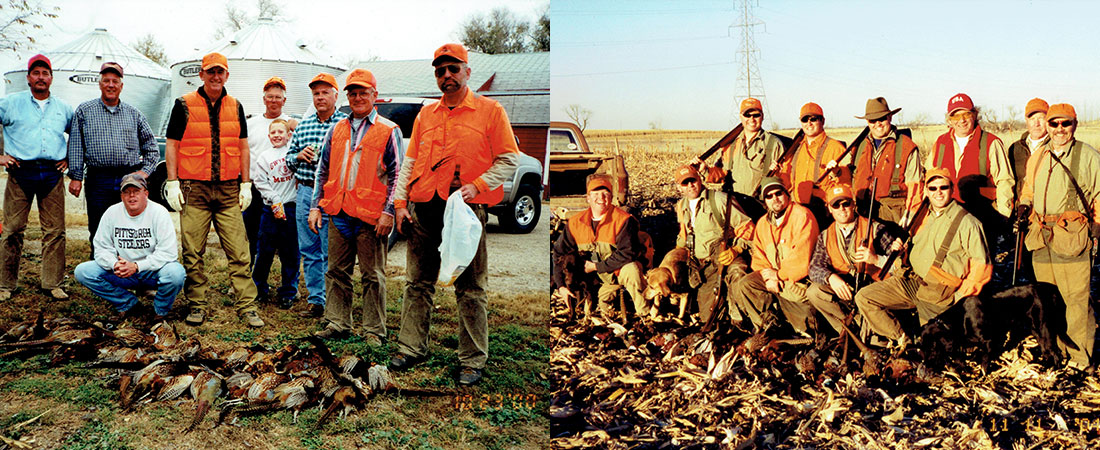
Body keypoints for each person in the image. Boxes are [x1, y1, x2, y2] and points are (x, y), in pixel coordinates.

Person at [389, 42, 521, 386]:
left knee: (471, 285)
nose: (446, 76)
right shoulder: (426, 115)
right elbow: (411, 163)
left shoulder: (490, 111)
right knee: (417, 283)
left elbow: (509, 159)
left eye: (453, 69)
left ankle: (472, 360)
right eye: (440, 71)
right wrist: (400, 204)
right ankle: (411, 346)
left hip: (464, 212)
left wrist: (477, 186)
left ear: (467, 71)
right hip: (424, 208)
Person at [161, 52, 263, 328]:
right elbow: (172, 144)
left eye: (220, 72)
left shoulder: (236, 105)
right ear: (202, 75)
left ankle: (247, 306)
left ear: (226, 75)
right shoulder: (183, 105)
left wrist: (246, 183)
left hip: (229, 190)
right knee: (193, 251)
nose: (216, 77)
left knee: (240, 251)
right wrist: (172, 182)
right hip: (195, 189)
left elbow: (243, 146)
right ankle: (197, 303)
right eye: (210, 72)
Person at [309, 69, 402, 345]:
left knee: (372, 276)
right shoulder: (336, 128)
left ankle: (374, 330)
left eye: (363, 92)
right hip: (338, 212)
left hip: (371, 217)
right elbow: (322, 170)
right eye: (353, 93)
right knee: (336, 271)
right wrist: (316, 206)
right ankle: (338, 322)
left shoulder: (389, 130)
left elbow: (398, 174)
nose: (358, 97)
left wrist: (389, 211)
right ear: (347, 97)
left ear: (375, 95)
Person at [855, 168, 990, 349]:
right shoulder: (921, 215)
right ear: (926, 191)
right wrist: (901, 250)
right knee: (864, 297)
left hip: (941, 294)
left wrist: (959, 297)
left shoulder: (968, 223)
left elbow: (982, 268)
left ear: (952, 189)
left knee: (933, 347)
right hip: (912, 281)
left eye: (943, 187)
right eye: (932, 188)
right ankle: (903, 340)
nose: (938, 193)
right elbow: (913, 251)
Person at [1018, 103, 1100, 368]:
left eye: (1066, 124)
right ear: (1048, 126)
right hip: (1041, 237)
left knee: (1075, 300)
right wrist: (1024, 205)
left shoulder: (1088, 156)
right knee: (1049, 300)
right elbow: (1028, 187)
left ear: (1074, 125)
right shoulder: (1039, 155)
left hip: (1073, 237)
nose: (1060, 129)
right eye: (1054, 124)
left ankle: (1080, 359)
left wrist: (1097, 230)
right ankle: (1059, 353)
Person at [0, 54, 73, 301]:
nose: (41, 78)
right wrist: (0, 156)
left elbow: (79, 135)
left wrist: (70, 159)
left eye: (45, 73)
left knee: (55, 231)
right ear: (28, 77)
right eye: (36, 73)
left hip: (52, 176)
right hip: (21, 173)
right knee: (12, 230)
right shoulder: (11, 103)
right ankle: (5, 285)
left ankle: (52, 283)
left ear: (51, 78)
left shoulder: (63, 108)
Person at [67, 62, 158, 253]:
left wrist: (143, 173)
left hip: (129, 178)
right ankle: (101, 268)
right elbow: (76, 145)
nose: (110, 85)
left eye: (115, 81)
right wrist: (76, 176)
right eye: (106, 81)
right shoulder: (84, 111)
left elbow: (152, 148)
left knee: (130, 226)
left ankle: (131, 267)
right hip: (98, 178)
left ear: (121, 86)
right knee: (99, 226)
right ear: (100, 84)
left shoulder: (134, 114)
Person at [74, 173, 184, 321]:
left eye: (136, 191)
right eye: (127, 192)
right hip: (122, 272)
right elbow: (101, 247)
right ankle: (127, 303)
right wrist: (114, 264)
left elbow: (168, 253)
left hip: (152, 272)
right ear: (121, 196)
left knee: (176, 273)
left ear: (146, 193)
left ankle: (160, 311)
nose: (131, 196)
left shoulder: (159, 212)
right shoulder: (112, 213)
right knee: (83, 271)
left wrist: (137, 266)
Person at [285, 73, 347, 319]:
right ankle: (316, 300)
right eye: (316, 93)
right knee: (309, 248)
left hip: (333, 193)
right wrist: (299, 156)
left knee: (331, 249)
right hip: (306, 190)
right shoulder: (304, 125)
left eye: (325, 92)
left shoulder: (345, 123)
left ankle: (335, 301)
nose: (320, 97)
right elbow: (288, 160)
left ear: (335, 95)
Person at [806, 184, 901, 335]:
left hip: (873, 290)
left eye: (846, 203)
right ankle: (847, 331)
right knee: (814, 291)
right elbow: (814, 267)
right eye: (836, 205)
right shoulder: (825, 236)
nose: (842, 208)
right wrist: (831, 278)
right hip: (846, 289)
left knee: (875, 341)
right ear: (829, 208)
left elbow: (898, 266)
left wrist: (875, 258)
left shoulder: (877, 229)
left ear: (853, 204)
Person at [731, 177, 819, 334]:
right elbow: (758, 256)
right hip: (774, 281)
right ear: (765, 201)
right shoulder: (763, 223)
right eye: (769, 196)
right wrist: (767, 278)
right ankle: (766, 329)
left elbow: (802, 258)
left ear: (787, 194)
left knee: (807, 328)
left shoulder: (802, 216)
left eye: (778, 193)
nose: (775, 199)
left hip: (796, 283)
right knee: (746, 284)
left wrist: (778, 275)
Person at [553, 174, 646, 317]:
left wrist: (596, 267)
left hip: (616, 273)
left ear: (611, 197)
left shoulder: (624, 220)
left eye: (605, 193)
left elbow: (628, 253)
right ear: (588, 198)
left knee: (632, 269)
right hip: (592, 280)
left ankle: (645, 314)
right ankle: (596, 305)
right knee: (603, 312)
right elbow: (559, 254)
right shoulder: (575, 223)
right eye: (595, 194)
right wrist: (561, 287)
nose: (601, 198)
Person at [672, 164, 754, 323]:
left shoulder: (719, 200)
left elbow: (748, 227)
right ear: (679, 187)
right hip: (704, 268)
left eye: (693, 180)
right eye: (685, 183)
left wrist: (736, 249)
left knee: (738, 281)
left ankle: (745, 321)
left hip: (725, 257)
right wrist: (674, 256)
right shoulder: (681, 206)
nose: (690, 186)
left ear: (700, 179)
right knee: (708, 318)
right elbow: (683, 235)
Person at [926, 93, 1013, 222]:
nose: (962, 120)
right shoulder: (941, 143)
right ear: (949, 120)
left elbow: (1004, 181)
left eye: (966, 114)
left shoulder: (990, 142)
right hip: (947, 216)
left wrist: (1002, 217)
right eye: (956, 116)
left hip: (982, 215)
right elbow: (928, 178)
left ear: (975, 115)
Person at [244, 76, 296, 266]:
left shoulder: (290, 125)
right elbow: (242, 152)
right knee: (250, 233)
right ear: (264, 99)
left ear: (284, 100)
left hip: (283, 192)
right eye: (270, 97)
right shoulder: (251, 124)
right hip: (254, 188)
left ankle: (288, 284)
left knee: (285, 240)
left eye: (278, 97)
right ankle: (249, 277)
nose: (273, 101)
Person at [850, 97, 922, 227]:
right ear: (867, 121)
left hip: (894, 219)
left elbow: (915, 188)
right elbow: (851, 182)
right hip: (862, 217)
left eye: (882, 118)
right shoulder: (858, 147)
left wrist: (909, 216)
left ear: (890, 117)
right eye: (873, 120)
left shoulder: (906, 147)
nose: (878, 124)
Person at [251, 119, 299, 309]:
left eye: (281, 132)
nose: (277, 135)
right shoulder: (264, 157)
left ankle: (288, 291)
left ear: (289, 135)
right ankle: (259, 288)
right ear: (269, 136)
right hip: (270, 209)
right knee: (264, 250)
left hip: (291, 207)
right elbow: (260, 181)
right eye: (273, 132)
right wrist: (274, 198)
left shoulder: (294, 153)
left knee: (290, 252)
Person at [778, 102, 850, 226]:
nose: (809, 123)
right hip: (798, 211)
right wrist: (777, 173)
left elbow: (847, 186)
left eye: (813, 119)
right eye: (805, 119)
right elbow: (787, 181)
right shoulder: (795, 149)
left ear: (822, 121)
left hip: (825, 213)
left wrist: (837, 173)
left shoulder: (835, 148)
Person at [696, 97, 784, 197]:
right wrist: (705, 170)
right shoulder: (730, 144)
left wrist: (778, 174)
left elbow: (785, 179)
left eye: (756, 115)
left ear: (762, 116)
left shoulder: (774, 144)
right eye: (747, 115)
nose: (752, 119)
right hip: (733, 205)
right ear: (740, 117)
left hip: (760, 205)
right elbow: (721, 174)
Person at [1003, 98, 1049, 285]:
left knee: (1045, 269)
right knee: (1024, 268)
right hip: (1022, 218)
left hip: (1046, 219)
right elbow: (1009, 182)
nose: (1037, 123)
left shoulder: (1055, 147)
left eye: (1042, 117)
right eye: (1032, 118)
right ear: (1026, 120)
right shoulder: (1015, 148)